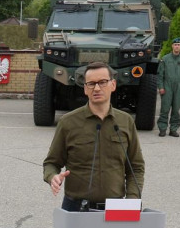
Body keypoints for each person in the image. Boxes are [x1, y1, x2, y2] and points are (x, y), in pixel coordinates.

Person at [43, 61, 146, 211]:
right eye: (91, 84)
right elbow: (51, 163)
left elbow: (136, 167)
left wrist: (132, 199)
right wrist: (52, 177)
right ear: (85, 89)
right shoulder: (68, 122)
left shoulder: (125, 122)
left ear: (113, 85)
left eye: (103, 82)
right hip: (75, 208)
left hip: (116, 208)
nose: (97, 88)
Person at [157, 37, 180, 138]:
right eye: (175, 44)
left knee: (176, 109)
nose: (177, 46)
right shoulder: (165, 59)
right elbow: (160, 74)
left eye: (178, 45)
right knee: (165, 109)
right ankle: (162, 129)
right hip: (167, 87)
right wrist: (161, 87)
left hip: (179, 88)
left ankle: (173, 129)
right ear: (172, 46)